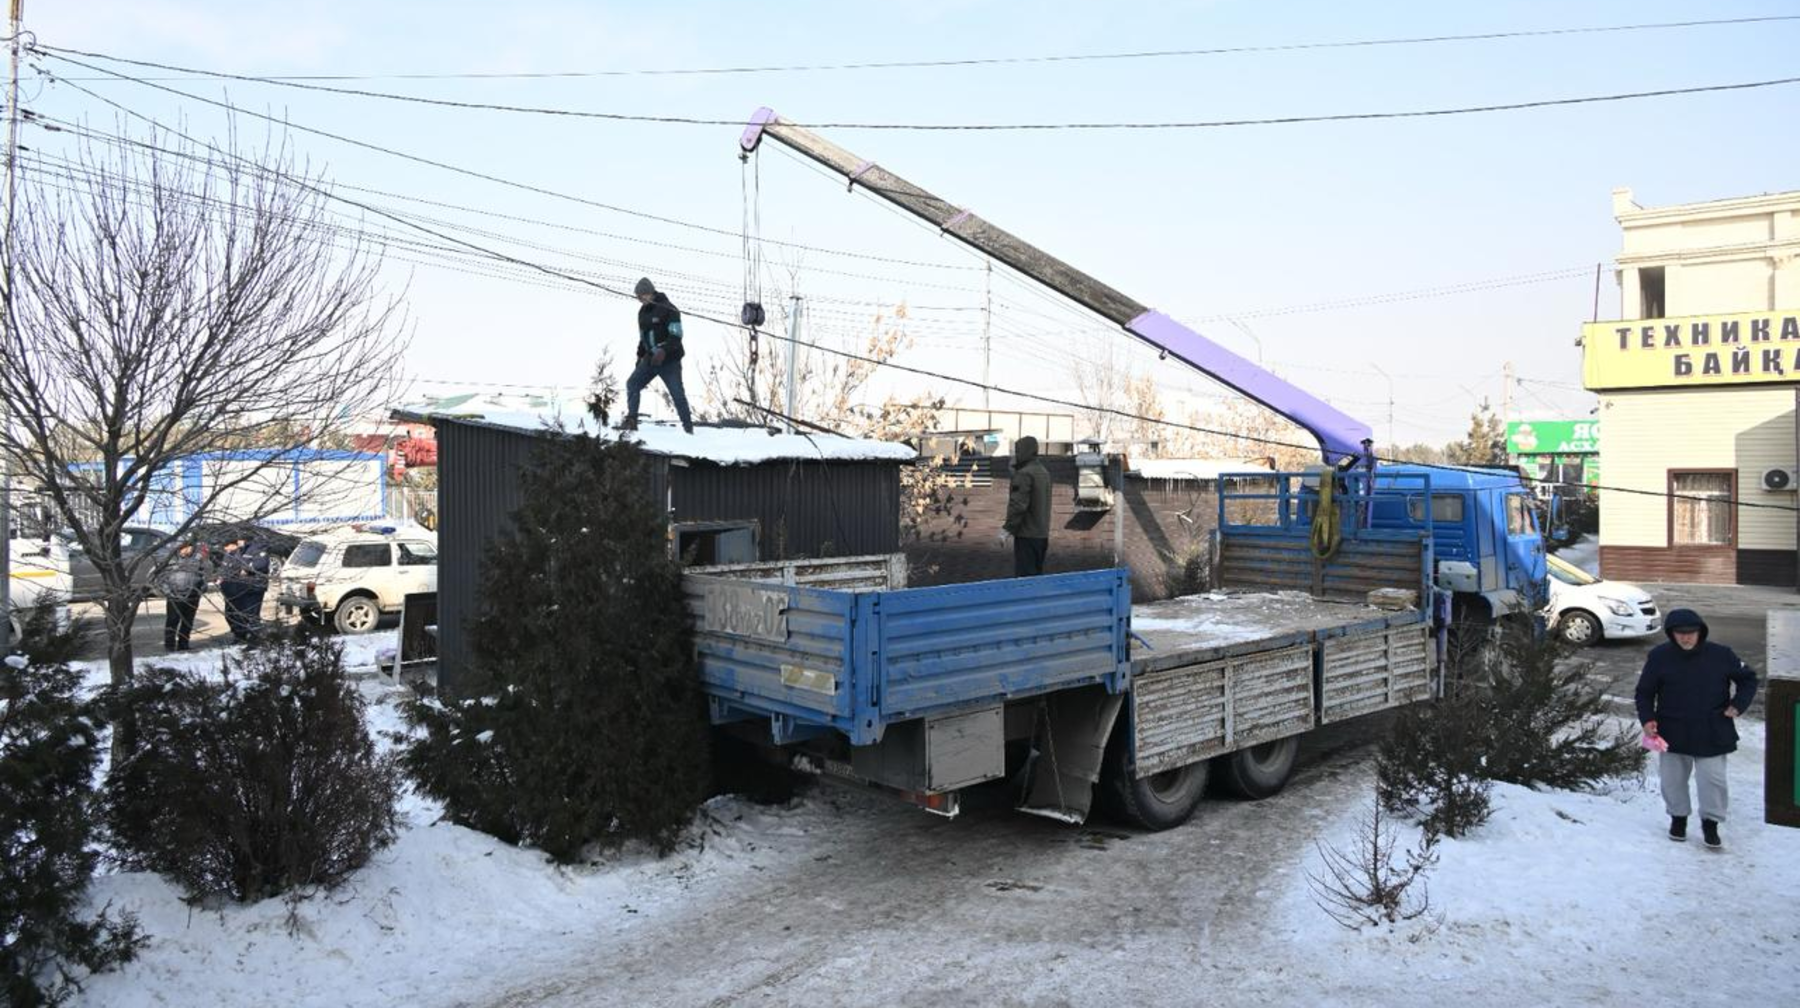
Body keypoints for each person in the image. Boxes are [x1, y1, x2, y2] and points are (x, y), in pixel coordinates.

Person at [1634, 607, 1758, 850]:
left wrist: (1738, 704)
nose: (1686, 637)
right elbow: (1644, 692)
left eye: (1691, 632)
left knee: (1712, 780)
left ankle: (1711, 824)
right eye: (1680, 633)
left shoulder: (1721, 655)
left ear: (1701, 632)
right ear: (1671, 634)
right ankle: (1678, 819)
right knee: (1673, 780)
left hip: (1712, 728)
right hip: (1672, 728)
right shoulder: (1660, 656)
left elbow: (1748, 679)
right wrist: (1647, 719)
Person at [623, 278, 694, 434]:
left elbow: (676, 335)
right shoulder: (642, 313)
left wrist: (663, 351)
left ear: (650, 293)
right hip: (650, 360)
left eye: (642, 296)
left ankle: (688, 428)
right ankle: (631, 421)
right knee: (632, 384)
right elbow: (643, 338)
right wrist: (640, 357)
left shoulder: (669, 309)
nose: (640, 299)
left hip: (669, 361)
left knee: (677, 394)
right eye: (638, 297)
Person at [1002, 435, 1052, 577]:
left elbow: (1018, 505)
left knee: (1025, 581)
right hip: (1041, 536)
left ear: (1024, 451)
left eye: (1017, 451)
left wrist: (1007, 529)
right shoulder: (1044, 472)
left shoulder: (1024, 474)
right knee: (1036, 578)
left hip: (1027, 536)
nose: (1015, 455)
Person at [158, 542, 208, 652]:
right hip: (175, 596)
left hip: (192, 596)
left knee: (187, 621)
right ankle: (170, 645)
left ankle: (183, 644)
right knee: (172, 621)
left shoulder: (197, 559)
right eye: (188, 547)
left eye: (191, 547)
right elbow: (161, 578)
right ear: (181, 548)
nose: (190, 549)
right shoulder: (171, 559)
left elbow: (204, 576)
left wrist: (201, 588)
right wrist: (168, 592)